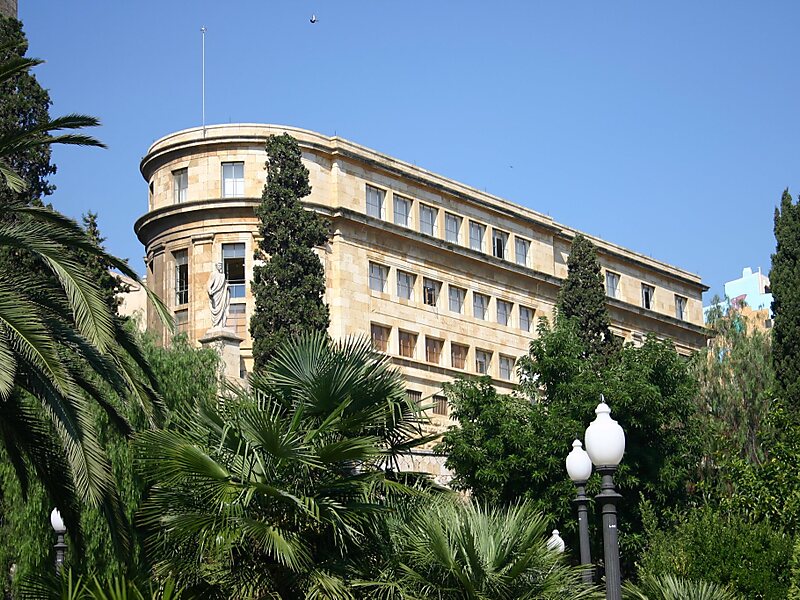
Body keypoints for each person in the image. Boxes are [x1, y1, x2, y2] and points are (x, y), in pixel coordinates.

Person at [207, 262, 228, 328]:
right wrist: (209, 290)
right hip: (216, 293)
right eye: (219, 265)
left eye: (221, 265)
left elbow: (224, 285)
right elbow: (209, 283)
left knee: (223, 307)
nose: (220, 266)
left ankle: (221, 323)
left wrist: (227, 286)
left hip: (222, 293)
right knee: (217, 307)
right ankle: (216, 324)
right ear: (216, 266)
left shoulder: (223, 275)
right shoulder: (214, 274)